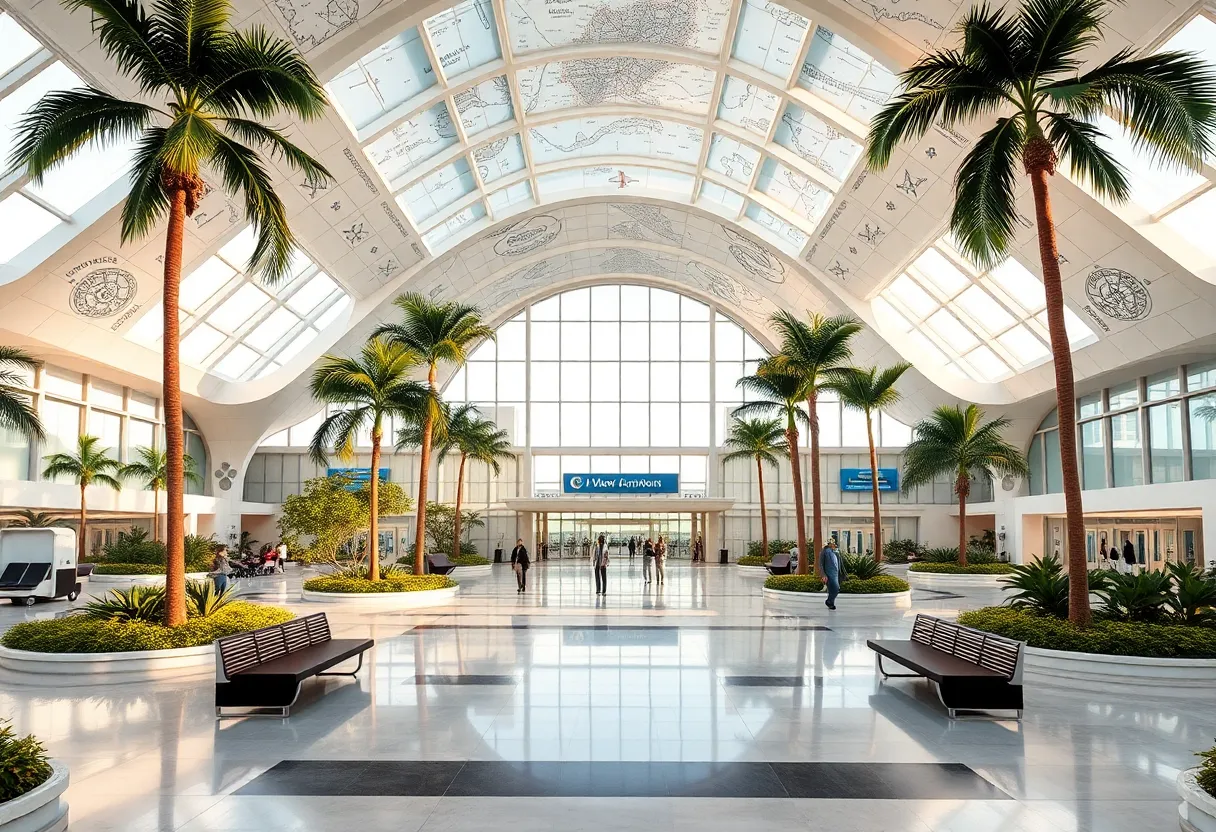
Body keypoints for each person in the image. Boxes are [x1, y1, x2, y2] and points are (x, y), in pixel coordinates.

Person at [820, 538, 847, 610]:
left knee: (833, 589)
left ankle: (831, 603)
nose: (833, 545)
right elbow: (821, 564)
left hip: (836, 573)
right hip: (829, 574)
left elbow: (840, 563)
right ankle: (829, 601)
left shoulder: (835, 552)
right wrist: (823, 574)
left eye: (833, 543)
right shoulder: (824, 551)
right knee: (835, 588)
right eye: (831, 543)